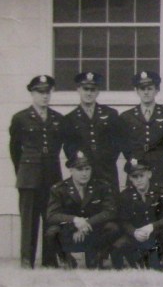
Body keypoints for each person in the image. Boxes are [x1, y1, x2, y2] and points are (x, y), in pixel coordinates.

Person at [8, 75, 65, 268]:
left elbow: (57, 147)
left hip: (51, 176)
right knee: (29, 221)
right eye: (40, 92)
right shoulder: (20, 118)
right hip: (29, 177)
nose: (44, 96)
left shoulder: (58, 119)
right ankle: (27, 260)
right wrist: (23, 172)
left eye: (47, 92)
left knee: (50, 218)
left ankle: (50, 261)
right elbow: (15, 149)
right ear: (32, 93)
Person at [44, 151, 119, 269]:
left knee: (112, 228)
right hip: (70, 233)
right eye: (80, 169)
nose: (84, 173)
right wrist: (75, 221)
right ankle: (66, 258)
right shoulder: (59, 189)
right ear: (71, 170)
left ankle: (97, 256)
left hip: (93, 231)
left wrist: (87, 223)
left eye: (87, 169)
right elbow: (52, 215)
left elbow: (110, 211)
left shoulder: (101, 186)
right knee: (51, 233)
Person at [111, 158, 163, 270]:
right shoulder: (125, 196)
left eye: (141, 176)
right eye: (135, 177)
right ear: (130, 178)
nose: (139, 180)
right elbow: (123, 221)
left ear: (149, 174)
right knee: (118, 245)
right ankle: (136, 265)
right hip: (138, 237)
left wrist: (152, 226)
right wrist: (134, 232)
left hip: (158, 236)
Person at [62, 71, 122, 188]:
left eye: (93, 90)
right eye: (85, 89)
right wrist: (80, 163)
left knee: (110, 203)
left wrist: (107, 159)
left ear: (98, 91)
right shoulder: (70, 118)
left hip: (106, 170)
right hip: (83, 172)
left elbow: (118, 140)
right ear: (78, 90)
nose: (89, 93)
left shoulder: (110, 114)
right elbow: (69, 146)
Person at [120, 71, 163, 186]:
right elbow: (124, 144)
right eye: (142, 89)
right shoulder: (127, 117)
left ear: (157, 90)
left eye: (150, 88)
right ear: (137, 91)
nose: (146, 92)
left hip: (160, 169)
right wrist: (134, 161)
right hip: (136, 170)